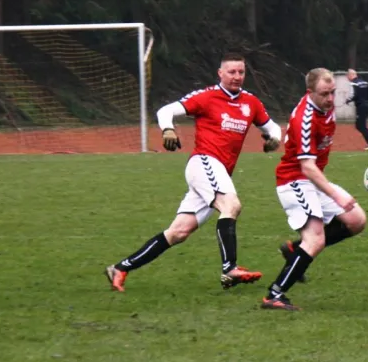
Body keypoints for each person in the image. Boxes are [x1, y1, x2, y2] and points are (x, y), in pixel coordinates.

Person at [105, 53, 283, 292]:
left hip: (218, 172)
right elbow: (165, 111)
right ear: (220, 73)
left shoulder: (250, 102)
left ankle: (121, 268)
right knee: (231, 206)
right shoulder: (206, 96)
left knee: (179, 232)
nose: (237, 77)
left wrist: (273, 139)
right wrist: (168, 130)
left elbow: (272, 127)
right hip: (204, 162)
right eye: (231, 72)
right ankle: (230, 268)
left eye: (241, 72)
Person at [261, 68, 367, 311]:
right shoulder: (304, 119)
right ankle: (275, 294)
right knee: (315, 238)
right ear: (310, 93)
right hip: (294, 180)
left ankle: (294, 250)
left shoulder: (326, 108)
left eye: (333, 93)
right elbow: (306, 167)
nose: (330, 99)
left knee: (356, 220)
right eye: (324, 94)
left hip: (312, 179)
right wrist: (336, 193)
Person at [345, 69, 368, 151]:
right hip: (367, 105)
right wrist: (366, 100)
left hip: (361, 106)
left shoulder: (353, 83)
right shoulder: (364, 82)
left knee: (360, 126)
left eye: (347, 75)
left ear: (351, 75)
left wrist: (348, 100)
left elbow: (353, 95)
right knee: (360, 125)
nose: (347, 77)